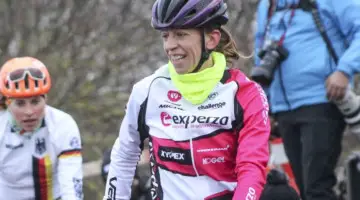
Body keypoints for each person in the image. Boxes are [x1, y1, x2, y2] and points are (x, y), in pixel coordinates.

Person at [103, 0, 271, 199]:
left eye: (180, 34)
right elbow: (124, 155)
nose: (170, 46)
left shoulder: (244, 94)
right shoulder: (146, 92)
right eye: (166, 36)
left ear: (211, 39)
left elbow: (251, 167)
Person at [252, 0, 360, 199]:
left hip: (321, 100)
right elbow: (261, 58)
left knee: (316, 188)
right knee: (303, 188)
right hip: (283, 108)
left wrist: (344, 70)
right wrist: (264, 106)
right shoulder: (267, 5)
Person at [0, 57, 84, 200]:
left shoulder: (63, 124)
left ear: (46, 99)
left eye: (35, 101)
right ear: (7, 103)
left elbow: (71, 184)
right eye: (20, 103)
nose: (29, 111)